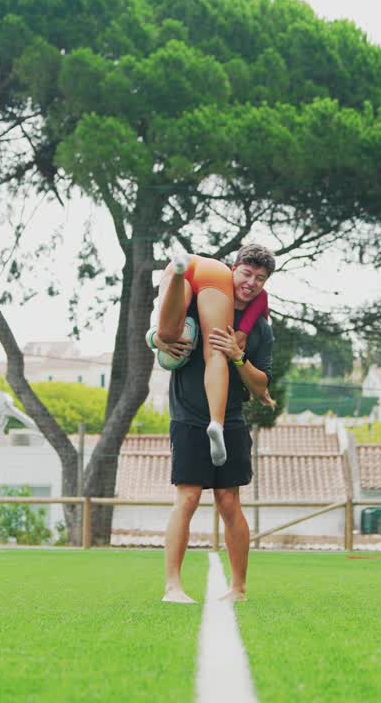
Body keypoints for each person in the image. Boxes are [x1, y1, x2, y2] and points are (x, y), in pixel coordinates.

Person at [150, 243, 276, 604]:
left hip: (233, 420)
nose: (250, 283)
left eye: (260, 279)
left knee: (229, 501)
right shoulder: (197, 299)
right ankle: (173, 586)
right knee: (187, 498)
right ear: (232, 269)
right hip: (188, 415)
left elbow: (261, 383)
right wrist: (157, 337)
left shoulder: (260, 330)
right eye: (246, 273)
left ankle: (238, 588)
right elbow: (164, 331)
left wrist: (238, 357)